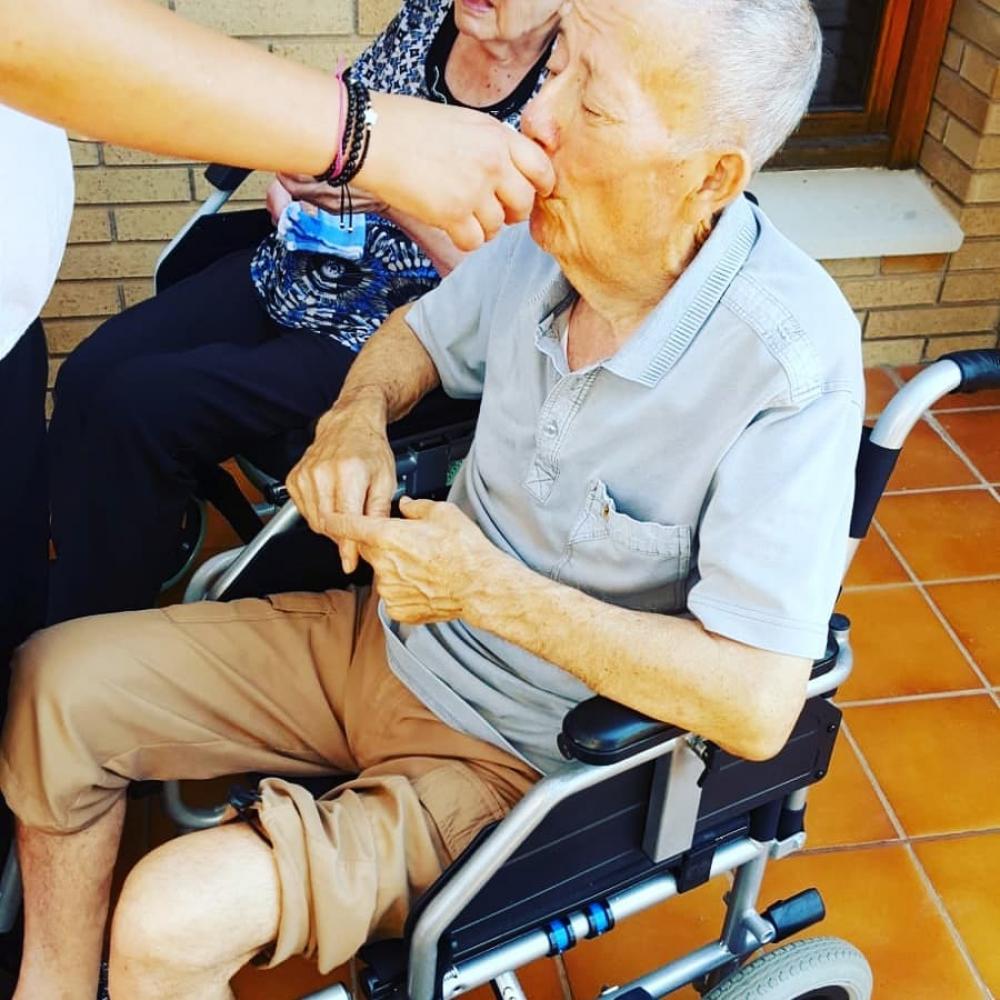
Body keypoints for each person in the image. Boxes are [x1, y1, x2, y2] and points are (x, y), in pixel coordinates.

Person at [0, 1, 865, 998]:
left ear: (710, 176)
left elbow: (755, 704)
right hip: (387, 642)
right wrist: (355, 419)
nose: (538, 117)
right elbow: (414, 335)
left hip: (518, 763)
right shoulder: (548, 237)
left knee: (168, 917)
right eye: (559, 67)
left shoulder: (786, 365)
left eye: (595, 103)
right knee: (50, 683)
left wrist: (487, 591)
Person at [45, 0, 562, 624]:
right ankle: (125, 538)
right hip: (291, 268)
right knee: (86, 373)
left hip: (384, 332)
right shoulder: (430, 17)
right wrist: (300, 180)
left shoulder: (562, 94)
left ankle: (87, 632)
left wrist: (390, 197)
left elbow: (514, 285)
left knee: (134, 407)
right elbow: (348, 125)